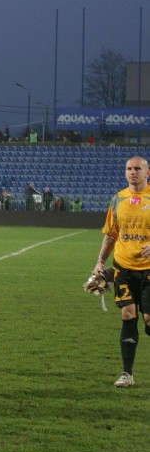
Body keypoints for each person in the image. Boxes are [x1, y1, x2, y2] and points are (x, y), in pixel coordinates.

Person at [93, 156, 150, 388]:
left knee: (149, 319)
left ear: (147, 172)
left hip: (148, 270)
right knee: (128, 314)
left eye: (137, 168)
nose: (132, 172)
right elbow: (111, 234)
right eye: (129, 169)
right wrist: (99, 261)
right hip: (123, 267)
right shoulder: (118, 199)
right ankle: (127, 373)